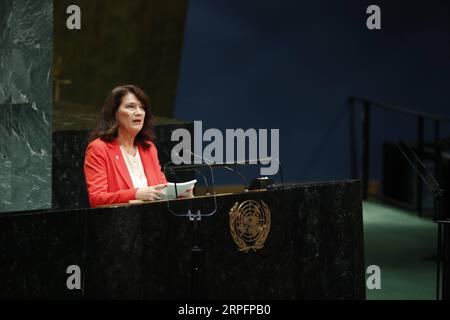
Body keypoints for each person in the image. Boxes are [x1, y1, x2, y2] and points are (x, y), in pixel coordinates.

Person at [84, 84, 192, 207]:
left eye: (142, 107)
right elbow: (96, 199)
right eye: (130, 107)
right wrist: (136, 194)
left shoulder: (148, 148)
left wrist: (178, 195)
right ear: (114, 113)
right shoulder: (99, 148)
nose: (139, 112)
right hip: (119, 222)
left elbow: (161, 190)